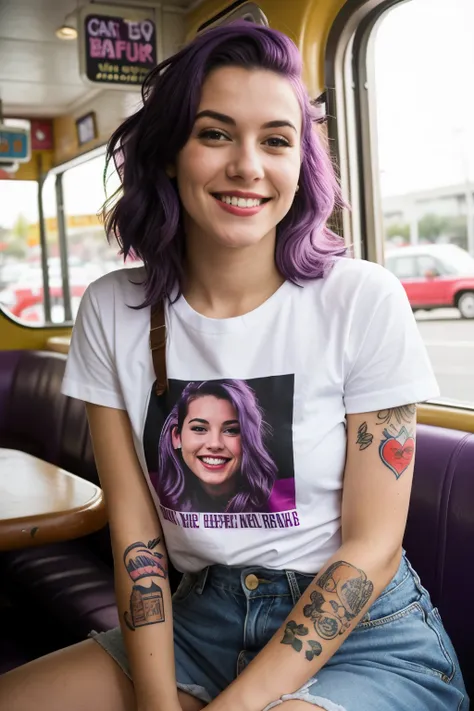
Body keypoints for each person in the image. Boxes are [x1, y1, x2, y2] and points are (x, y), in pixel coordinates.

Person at [0, 19, 468, 711]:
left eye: (275, 141)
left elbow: (371, 546)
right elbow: (136, 534)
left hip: (363, 635)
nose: (248, 165)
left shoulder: (361, 299)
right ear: (169, 154)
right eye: (215, 133)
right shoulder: (112, 310)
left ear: (297, 165)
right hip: (197, 622)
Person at [158, 379, 277, 513]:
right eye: (199, 428)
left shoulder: (279, 499)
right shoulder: (155, 493)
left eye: (231, 430)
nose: (215, 444)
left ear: (249, 439)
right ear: (177, 437)